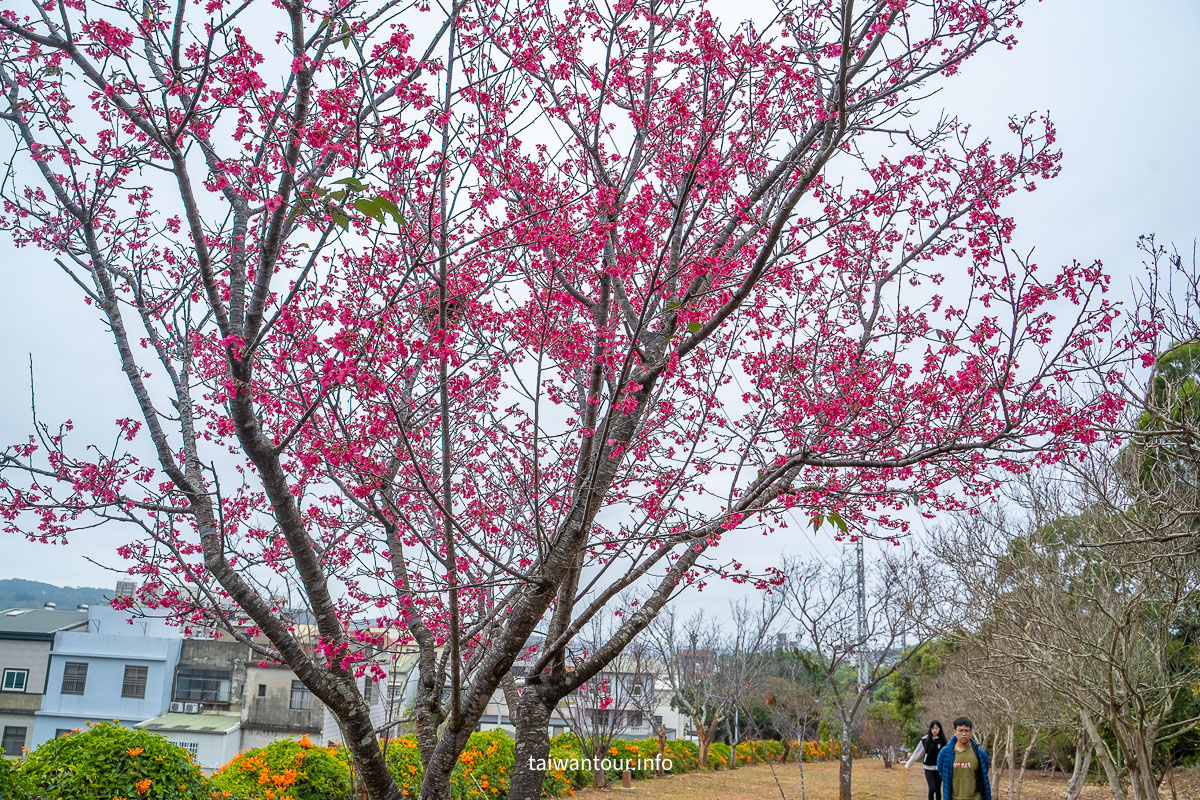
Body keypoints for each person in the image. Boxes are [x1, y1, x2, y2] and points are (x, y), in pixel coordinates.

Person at [936, 716, 992, 800]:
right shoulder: (945, 753)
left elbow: (984, 771)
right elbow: (942, 772)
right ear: (954, 732)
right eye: (960, 730)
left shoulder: (980, 753)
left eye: (967, 731)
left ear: (971, 733)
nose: (964, 734)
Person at [905, 720, 949, 800]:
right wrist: (908, 764)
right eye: (932, 728)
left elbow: (947, 754)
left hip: (939, 768)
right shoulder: (925, 740)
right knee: (932, 788)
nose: (934, 730)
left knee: (938, 789)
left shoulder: (943, 741)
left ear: (940, 729)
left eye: (936, 728)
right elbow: (917, 753)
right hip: (928, 767)